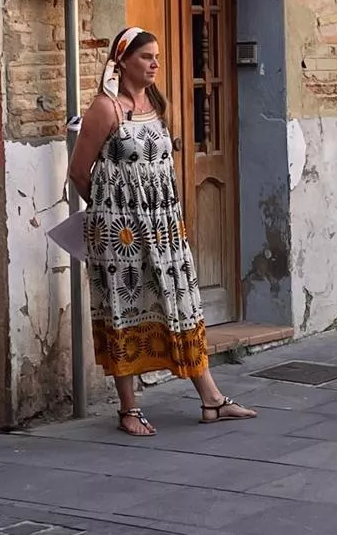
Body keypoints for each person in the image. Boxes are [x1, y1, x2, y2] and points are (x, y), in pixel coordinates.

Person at [67, 27, 257, 436]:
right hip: (121, 234)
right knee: (124, 308)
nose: (155, 64)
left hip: (164, 229)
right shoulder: (106, 108)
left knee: (180, 303)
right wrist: (111, 212)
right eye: (145, 57)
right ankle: (129, 409)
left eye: (156, 56)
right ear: (122, 62)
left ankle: (211, 398)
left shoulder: (154, 103)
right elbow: (79, 173)